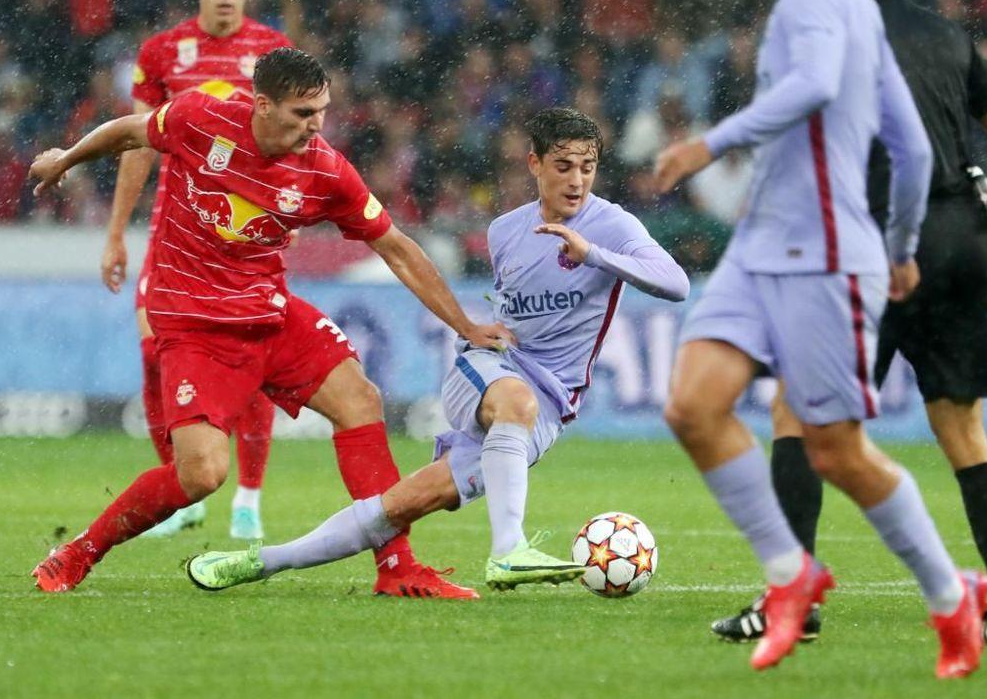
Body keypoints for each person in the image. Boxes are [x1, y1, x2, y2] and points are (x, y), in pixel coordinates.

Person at [28, 47, 510, 599]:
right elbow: (130, 131)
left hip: (269, 314)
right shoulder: (199, 119)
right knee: (202, 476)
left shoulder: (325, 171)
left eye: (322, 110)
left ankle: (396, 567)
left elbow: (396, 248)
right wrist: (66, 158)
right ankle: (78, 551)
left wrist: (466, 325)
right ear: (261, 105)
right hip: (193, 324)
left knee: (360, 400)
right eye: (303, 113)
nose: (316, 125)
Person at [182, 107, 689, 593]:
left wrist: (593, 254)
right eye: (563, 166)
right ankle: (509, 549)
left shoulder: (613, 226)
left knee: (397, 507)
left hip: (551, 406)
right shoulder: (505, 230)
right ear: (534, 164)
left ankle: (256, 563)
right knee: (515, 401)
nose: (576, 180)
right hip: (489, 368)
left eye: (587, 167)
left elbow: (676, 283)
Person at [652, 0, 987, 679]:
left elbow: (813, 85)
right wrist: (901, 248)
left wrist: (711, 144)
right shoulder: (860, 10)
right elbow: (914, 151)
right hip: (762, 244)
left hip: (825, 253)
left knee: (834, 449)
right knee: (693, 406)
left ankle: (948, 591)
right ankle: (790, 573)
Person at [710, 0, 987, 647]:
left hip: (868, 239)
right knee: (962, 428)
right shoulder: (948, 34)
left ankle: (791, 606)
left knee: (795, 412)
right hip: (954, 237)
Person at [102, 0, 292, 541]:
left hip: (244, 234)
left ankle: (249, 500)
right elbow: (137, 143)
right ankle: (180, 490)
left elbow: (295, 141)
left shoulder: (273, 50)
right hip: (174, 233)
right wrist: (115, 231)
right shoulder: (161, 52)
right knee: (155, 355)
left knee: (254, 365)